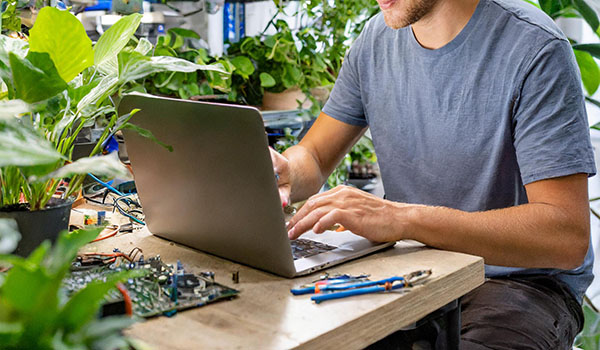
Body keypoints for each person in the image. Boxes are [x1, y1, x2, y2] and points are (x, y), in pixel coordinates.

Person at [269, 0, 597, 347]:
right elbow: (315, 156)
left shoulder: (535, 47)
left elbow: (566, 236)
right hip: (409, 270)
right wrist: (287, 170)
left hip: (516, 284)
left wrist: (404, 219)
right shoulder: (375, 40)